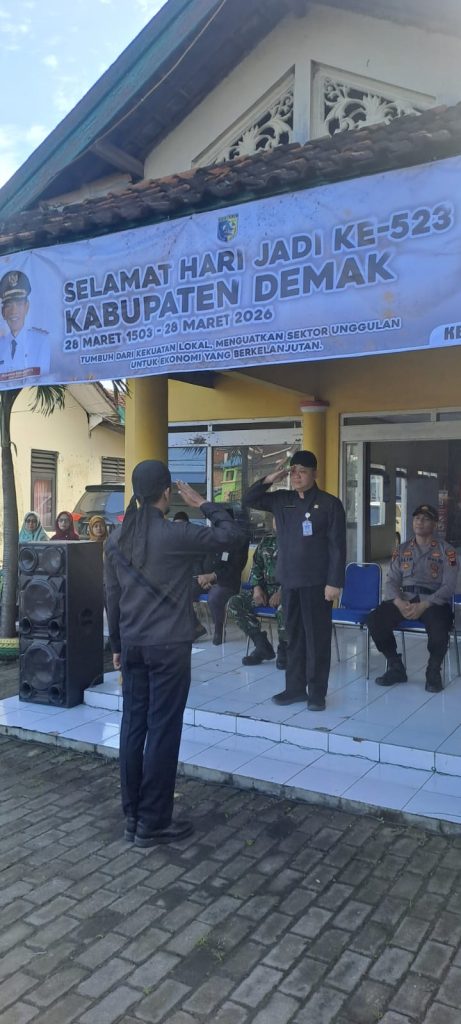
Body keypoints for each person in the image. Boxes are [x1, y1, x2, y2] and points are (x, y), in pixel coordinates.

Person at [104, 459, 245, 847]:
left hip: (133, 646)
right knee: (163, 731)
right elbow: (233, 536)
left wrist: (117, 646)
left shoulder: (116, 539)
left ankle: (133, 817)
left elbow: (112, 595)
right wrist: (203, 503)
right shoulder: (175, 533)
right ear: (167, 493)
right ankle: (153, 822)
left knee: (133, 727)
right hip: (168, 648)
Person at [244, 450, 346, 711]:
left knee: (317, 640)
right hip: (289, 582)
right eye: (293, 471)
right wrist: (271, 478)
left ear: (315, 473)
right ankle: (295, 688)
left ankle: (317, 693)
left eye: (302, 471)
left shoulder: (329, 504)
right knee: (293, 638)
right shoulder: (283, 500)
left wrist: (334, 582)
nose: (297, 476)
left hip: (317, 584)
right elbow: (249, 498)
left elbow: (337, 546)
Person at [367, 504, 458, 693]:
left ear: (435, 524)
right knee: (375, 620)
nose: (420, 522)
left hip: (432, 601)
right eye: (417, 518)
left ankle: (433, 672)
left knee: (440, 627)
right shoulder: (401, 549)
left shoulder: (447, 551)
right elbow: (391, 581)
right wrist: (399, 602)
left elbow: (449, 586)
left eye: (425, 519)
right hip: (404, 599)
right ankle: (395, 666)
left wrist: (424, 604)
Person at [228, 522, 287, 668]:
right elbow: (257, 567)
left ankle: (285, 650)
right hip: (265, 590)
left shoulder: (297, 541)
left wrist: (282, 592)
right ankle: (261, 645)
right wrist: (257, 588)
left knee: (286, 607)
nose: (276, 522)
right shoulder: (266, 541)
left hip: (288, 591)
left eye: (279, 518)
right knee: (235, 602)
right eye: (274, 519)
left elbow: (300, 572)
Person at [195, 510, 250, 645]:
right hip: (204, 579)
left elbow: (236, 567)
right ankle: (194, 627)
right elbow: (198, 559)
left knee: (214, 596)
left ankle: (219, 630)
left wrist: (213, 576)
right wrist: (202, 577)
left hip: (227, 582)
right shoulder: (210, 537)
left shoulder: (240, 540)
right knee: (182, 589)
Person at [0, 270, 50, 381]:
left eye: (19, 304)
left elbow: (43, 379)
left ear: (27, 307)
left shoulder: (41, 341)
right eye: (9, 305)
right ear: (3, 313)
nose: (14, 311)